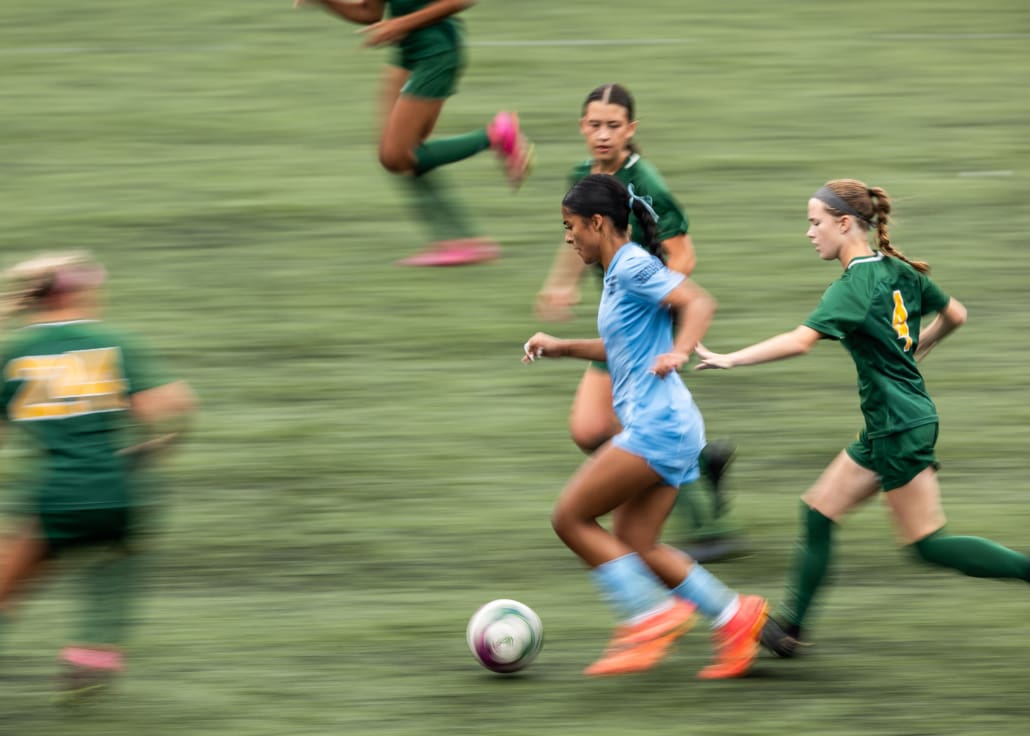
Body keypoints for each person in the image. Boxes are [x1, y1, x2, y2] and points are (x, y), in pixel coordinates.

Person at [695, 179, 1030, 657]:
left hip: (898, 426)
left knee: (929, 544)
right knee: (817, 513)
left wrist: (732, 358)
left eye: (816, 223)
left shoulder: (853, 286)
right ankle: (789, 631)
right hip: (890, 423)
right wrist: (921, 342)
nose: (810, 233)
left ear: (844, 223)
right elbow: (957, 313)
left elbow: (799, 341)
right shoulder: (897, 268)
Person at [523, 174, 767, 678]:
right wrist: (561, 346)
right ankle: (735, 617)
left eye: (570, 227)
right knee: (639, 542)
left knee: (570, 518)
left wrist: (680, 351)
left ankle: (649, 616)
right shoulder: (619, 271)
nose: (568, 238)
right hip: (673, 427)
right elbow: (621, 348)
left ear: (597, 222)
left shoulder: (632, 264)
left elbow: (699, 302)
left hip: (656, 428)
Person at [534, 83, 745, 560]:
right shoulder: (582, 174)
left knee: (603, 430)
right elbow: (581, 230)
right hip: (616, 322)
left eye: (613, 126)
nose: (603, 135)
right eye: (594, 125)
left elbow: (683, 255)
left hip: (645, 324)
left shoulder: (647, 182)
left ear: (631, 129)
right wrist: (561, 282)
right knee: (590, 431)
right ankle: (695, 465)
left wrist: (650, 292)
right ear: (581, 127)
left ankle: (706, 526)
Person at [0, 251, 197, 698]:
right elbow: (174, 405)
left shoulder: (13, 353)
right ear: (81, 291)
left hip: (56, 495)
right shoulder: (115, 341)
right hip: (122, 489)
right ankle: (92, 657)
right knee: (115, 567)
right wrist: (159, 447)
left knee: (6, 589)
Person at [294, 0, 533, 266]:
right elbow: (368, 12)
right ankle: (457, 242)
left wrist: (400, 23)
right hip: (409, 53)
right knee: (405, 155)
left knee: (395, 155)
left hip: (437, 51)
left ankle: (496, 136)